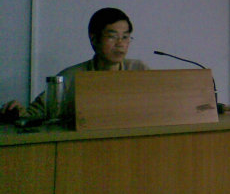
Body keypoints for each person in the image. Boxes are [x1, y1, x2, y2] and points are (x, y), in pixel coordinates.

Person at [0, 7, 148, 121]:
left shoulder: (139, 70)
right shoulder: (70, 77)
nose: (120, 43)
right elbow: (36, 114)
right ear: (94, 39)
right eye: (112, 36)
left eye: (125, 37)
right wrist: (18, 112)